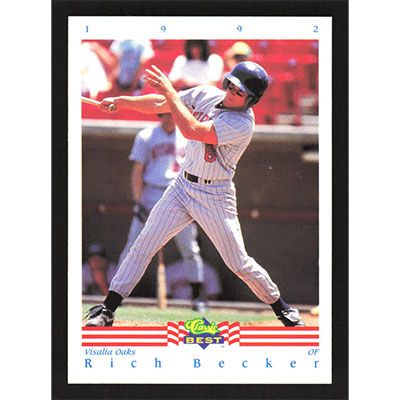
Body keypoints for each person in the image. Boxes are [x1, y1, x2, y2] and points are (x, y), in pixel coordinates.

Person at [85, 61, 305, 327]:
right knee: (143, 245)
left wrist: (170, 91)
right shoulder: (207, 94)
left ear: (251, 100)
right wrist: (121, 102)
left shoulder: (242, 124)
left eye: (241, 92)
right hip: (182, 186)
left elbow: (192, 130)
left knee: (238, 263)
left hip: (215, 193)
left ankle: (282, 308)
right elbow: (162, 104)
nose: (233, 92)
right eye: (231, 86)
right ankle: (107, 309)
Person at [117, 112, 206, 311]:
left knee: (189, 248)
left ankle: (198, 298)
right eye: (163, 113)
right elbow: (137, 170)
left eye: (170, 113)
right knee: (133, 246)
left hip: (180, 194)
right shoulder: (146, 135)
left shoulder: (189, 135)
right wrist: (138, 202)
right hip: (152, 193)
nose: (167, 117)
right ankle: (117, 294)